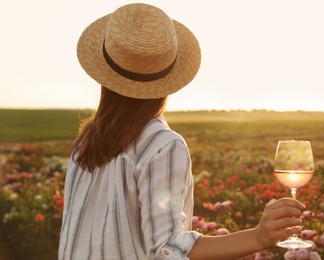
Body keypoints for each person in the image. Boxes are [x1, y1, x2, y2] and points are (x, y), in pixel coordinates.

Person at [58, 3, 305, 260]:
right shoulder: (163, 145)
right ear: (169, 76)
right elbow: (166, 249)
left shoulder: (85, 142)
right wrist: (258, 237)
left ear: (106, 75)